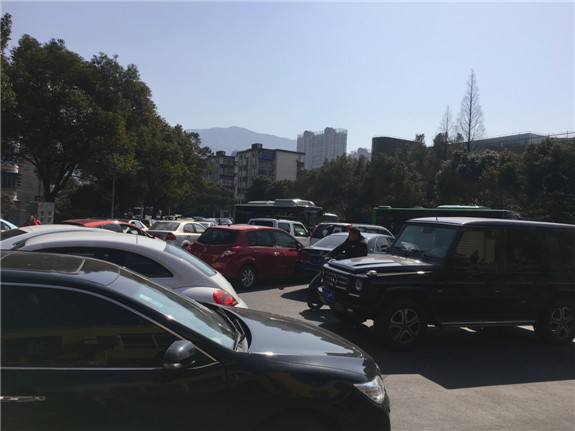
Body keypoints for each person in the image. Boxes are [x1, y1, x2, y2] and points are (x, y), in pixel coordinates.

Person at [307, 226, 368, 309]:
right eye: (349, 234)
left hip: (352, 269)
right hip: (344, 265)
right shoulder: (349, 240)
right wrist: (329, 255)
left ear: (355, 235)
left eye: (350, 234)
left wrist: (345, 261)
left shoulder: (362, 244)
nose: (349, 236)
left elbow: (358, 259)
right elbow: (340, 248)